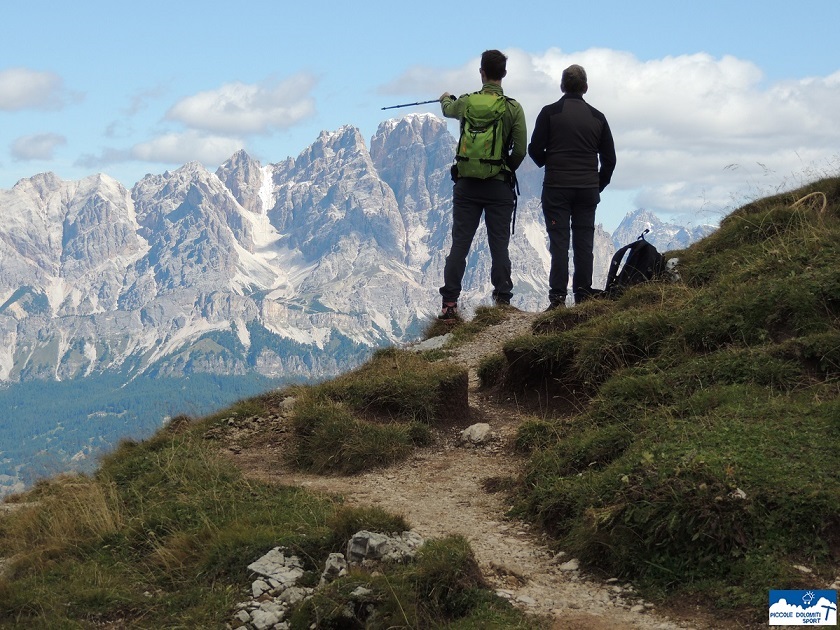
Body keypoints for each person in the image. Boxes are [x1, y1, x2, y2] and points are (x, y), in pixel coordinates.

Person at [437, 49, 527, 320]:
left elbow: (447, 109)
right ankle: (502, 300)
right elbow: (521, 150)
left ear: (482, 72)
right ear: (504, 74)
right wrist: (505, 169)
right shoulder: (513, 108)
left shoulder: (466, 103)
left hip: (466, 186)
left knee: (459, 245)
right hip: (498, 185)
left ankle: (450, 304)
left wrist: (445, 97)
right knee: (498, 245)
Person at [528, 64, 616, 309]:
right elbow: (610, 159)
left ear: (562, 86)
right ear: (586, 88)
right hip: (587, 189)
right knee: (584, 244)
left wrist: (550, 162)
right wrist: (598, 185)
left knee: (559, 244)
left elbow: (534, 149)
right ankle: (583, 297)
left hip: (557, 188)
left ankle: (557, 300)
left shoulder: (549, 113)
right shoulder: (598, 117)